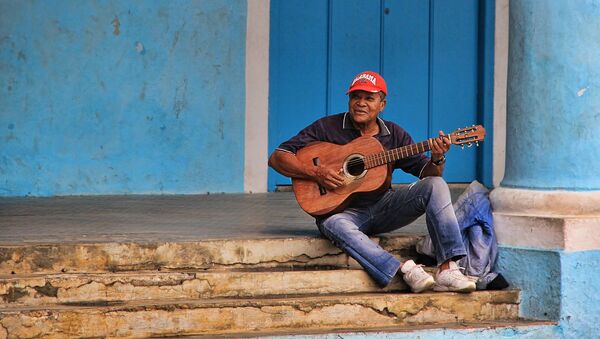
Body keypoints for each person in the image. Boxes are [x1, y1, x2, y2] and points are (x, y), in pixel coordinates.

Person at [268, 71, 476, 293]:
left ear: (382, 105)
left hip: (385, 208)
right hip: (344, 213)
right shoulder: (327, 127)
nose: (361, 103)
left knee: (436, 184)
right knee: (331, 224)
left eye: (369, 98)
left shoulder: (394, 135)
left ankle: (448, 269)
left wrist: (438, 157)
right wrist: (315, 172)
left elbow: (427, 172)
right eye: (355, 97)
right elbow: (278, 157)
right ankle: (404, 269)